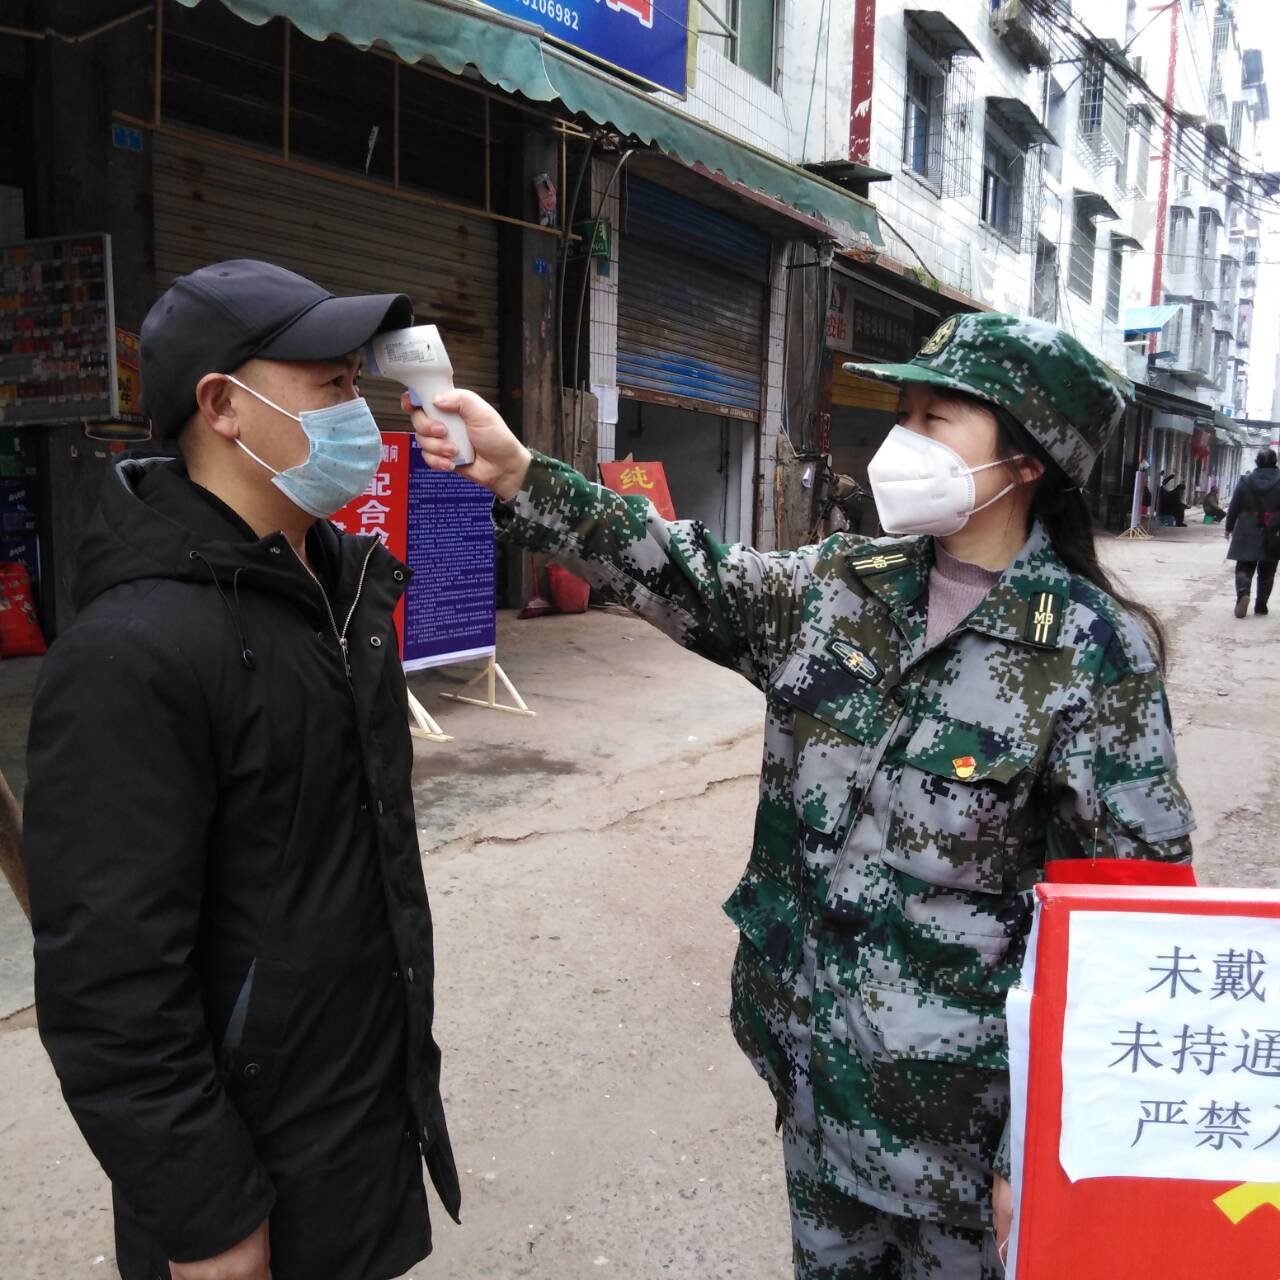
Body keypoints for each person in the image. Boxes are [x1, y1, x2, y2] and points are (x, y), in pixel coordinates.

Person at [408, 313, 1195, 1279]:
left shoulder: (1092, 658)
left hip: (962, 1137)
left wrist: (1034, 1153)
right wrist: (520, 473)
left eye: (936, 418)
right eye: (901, 412)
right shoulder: (840, 588)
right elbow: (683, 569)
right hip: (818, 1086)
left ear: (1028, 463)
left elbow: (1124, 929)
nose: (900, 440)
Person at [23, 261, 460, 1280]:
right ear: (222, 404)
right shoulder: (133, 651)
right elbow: (110, 981)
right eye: (333, 385)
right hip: (246, 1178)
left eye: (362, 383)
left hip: (354, 1127)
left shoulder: (339, 592)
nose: (362, 413)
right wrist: (209, 1216)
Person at [1224, 447, 1280, 617]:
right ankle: (1261, 605)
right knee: (1268, 569)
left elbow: (1234, 506)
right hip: (1273, 528)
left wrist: (1229, 527)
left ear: (1257, 462)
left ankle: (1243, 592)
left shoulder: (1246, 481)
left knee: (1244, 567)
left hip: (1247, 528)